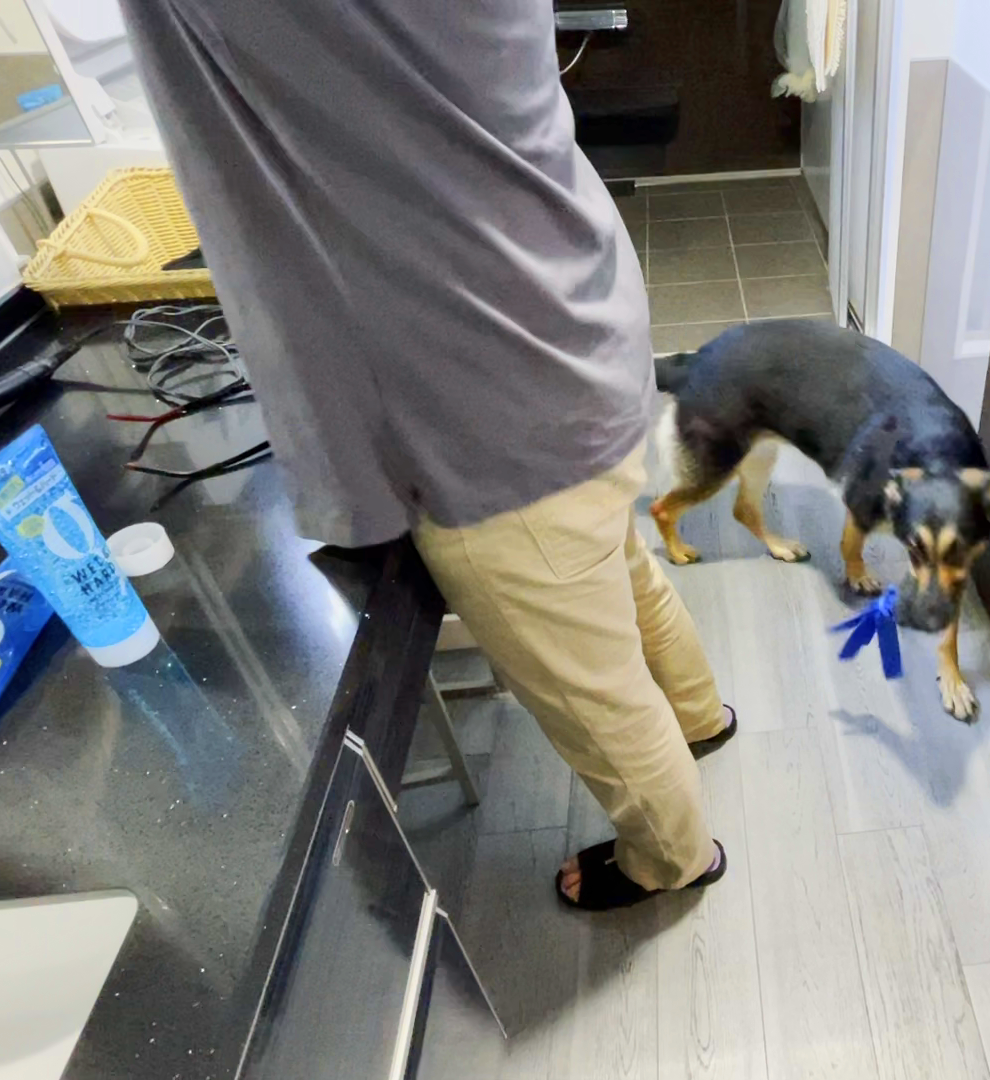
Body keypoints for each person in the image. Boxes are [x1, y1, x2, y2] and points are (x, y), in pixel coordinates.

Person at [117, 0, 732, 910]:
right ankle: (700, 716)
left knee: (594, 693)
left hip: (489, 411)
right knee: (615, 567)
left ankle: (672, 858)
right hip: (576, 325)